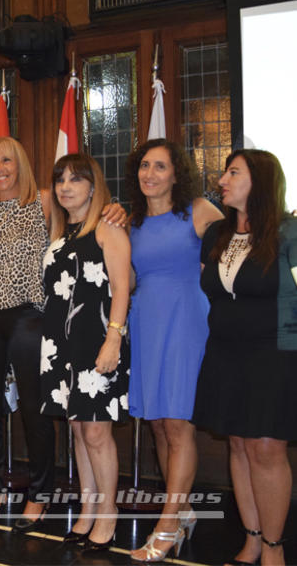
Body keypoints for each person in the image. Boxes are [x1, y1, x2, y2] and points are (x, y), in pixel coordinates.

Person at [0, 137, 125, 530]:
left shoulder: (46, 201)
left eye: (7, 160)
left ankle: (40, 495)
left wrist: (116, 209)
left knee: (36, 410)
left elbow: (87, 222)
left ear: (22, 163)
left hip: (34, 317)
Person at [192, 149, 296, 566]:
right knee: (237, 443)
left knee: (267, 449)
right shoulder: (214, 235)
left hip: (273, 354)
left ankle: (274, 547)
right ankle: (251, 539)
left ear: (260, 181)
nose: (222, 179)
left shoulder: (288, 233)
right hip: (224, 353)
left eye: (233, 172)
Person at [124, 139, 223, 561]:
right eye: (145, 166)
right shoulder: (131, 220)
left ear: (176, 174)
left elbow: (241, 238)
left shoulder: (198, 210)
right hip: (144, 320)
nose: (150, 173)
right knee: (159, 423)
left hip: (185, 319)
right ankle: (181, 509)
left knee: (178, 422)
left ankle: (167, 523)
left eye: (160, 166)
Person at [39, 154, 131, 550]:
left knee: (96, 432)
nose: (65, 187)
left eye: (76, 179)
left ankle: (108, 514)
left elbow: (122, 288)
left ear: (93, 187)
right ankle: (89, 509)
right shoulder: (60, 237)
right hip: (61, 346)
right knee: (77, 429)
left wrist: (114, 338)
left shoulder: (107, 230)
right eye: (60, 179)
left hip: (97, 343)